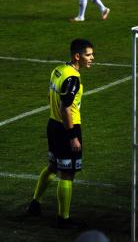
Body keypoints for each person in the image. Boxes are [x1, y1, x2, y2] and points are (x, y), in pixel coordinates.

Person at [26, 39, 94, 229]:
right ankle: (63, 218)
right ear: (77, 56)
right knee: (67, 173)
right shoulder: (73, 78)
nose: (92, 58)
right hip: (67, 129)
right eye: (88, 55)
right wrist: (72, 135)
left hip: (52, 125)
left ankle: (35, 203)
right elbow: (66, 107)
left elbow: (50, 96)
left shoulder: (57, 70)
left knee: (52, 166)